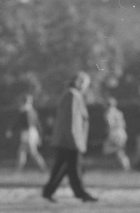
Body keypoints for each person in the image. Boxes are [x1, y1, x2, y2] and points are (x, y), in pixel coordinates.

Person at [42, 72, 98, 203]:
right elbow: (71, 121)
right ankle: (81, 193)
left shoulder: (70, 94)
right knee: (74, 168)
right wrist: (76, 141)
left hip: (65, 139)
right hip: (69, 140)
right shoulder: (73, 95)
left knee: (63, 167)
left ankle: (48, 191)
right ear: (79, 82)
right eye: (86, 84)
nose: (86, 87)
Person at [8, 94, 47, 172]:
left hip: (27, 133)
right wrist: (39, 135)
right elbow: (38, 124)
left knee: (32, 153)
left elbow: (17, 122)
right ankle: (18, 169)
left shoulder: (24, 110)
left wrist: (11, 130)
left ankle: (43, 168)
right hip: (32, 133)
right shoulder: (32, 110)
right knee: (22, 152)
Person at [102, 97, 131, 171]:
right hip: (122, 132)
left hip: (114, 133)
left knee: (107, 149)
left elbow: (110, 124)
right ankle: (126, 167)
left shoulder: (108, 112)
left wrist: (108, 129)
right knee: (120, 153)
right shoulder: (119, 112)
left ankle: (126, 167)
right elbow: (124, 124)